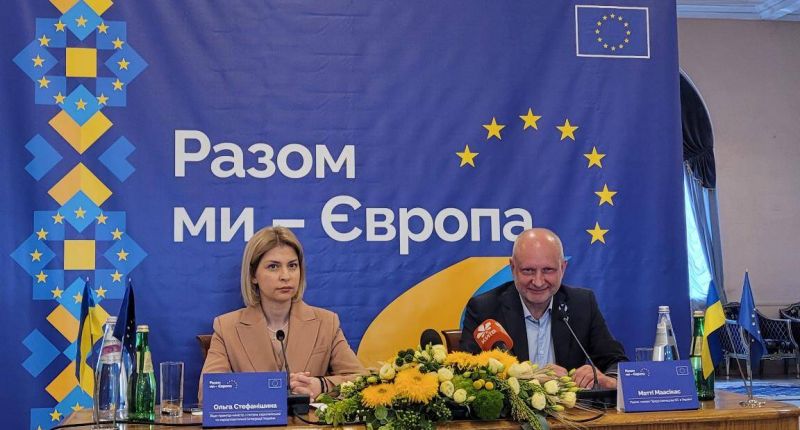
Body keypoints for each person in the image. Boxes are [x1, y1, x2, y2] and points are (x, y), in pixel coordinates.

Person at [200, 226, 365, 401]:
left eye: (292, 266)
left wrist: (322, 386)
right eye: (273, 267)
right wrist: (268, 390)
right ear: (253, 275)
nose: (285, 276)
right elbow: (209, 393)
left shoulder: (326, 322)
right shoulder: (226, 327)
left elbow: (362, 382)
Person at [460, 228, 627, 389]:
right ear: (513, 268)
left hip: (573, 408)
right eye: (528, 270)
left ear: (563, 268)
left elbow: (616, 363)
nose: (538, 282)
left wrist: (607, 380)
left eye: (548, 270)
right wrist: (531, 378)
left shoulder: (582, 304)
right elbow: (466, 375)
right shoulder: (484, 309)